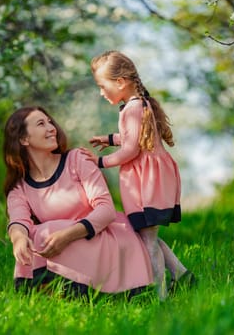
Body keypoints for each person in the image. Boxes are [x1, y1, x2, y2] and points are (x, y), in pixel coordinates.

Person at [3, 105, 153, 298]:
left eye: (50, 122)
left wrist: (67, 235)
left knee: (44, 231)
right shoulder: (19, 186)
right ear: (23, 139)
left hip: (101, 237)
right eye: (41, 124)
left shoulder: (76, 159)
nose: (51, 128)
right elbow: (18, 220)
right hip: (61, 245)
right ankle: (47, 293)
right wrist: (19, 239)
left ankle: (76, 291)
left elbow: (106, 209)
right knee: (33, 234)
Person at [80, 50, 195, 300]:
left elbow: (131, 149)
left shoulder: (133, 108)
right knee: (147, 234)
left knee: (147, 239)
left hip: (146, 182)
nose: (101, 93)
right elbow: (137, 138)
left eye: (102, 86)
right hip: (151, 177)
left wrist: (100, 162)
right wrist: (110, 139)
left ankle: (160, 296)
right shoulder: (137, 104)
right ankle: (183, 277)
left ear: (120, 82)